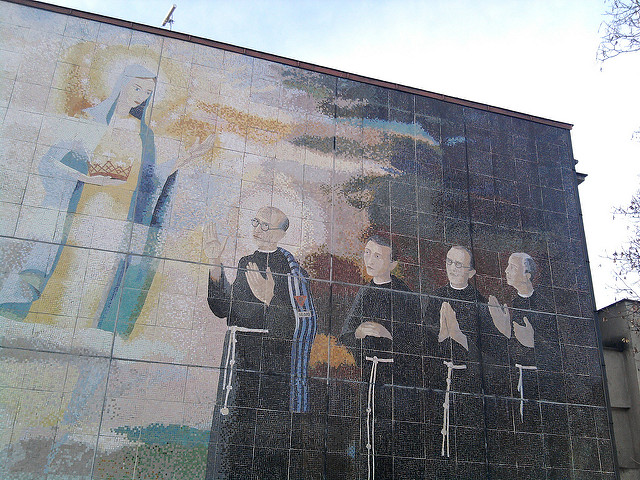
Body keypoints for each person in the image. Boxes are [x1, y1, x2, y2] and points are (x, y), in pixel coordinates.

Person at [0, 64, 213, 337]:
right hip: (79, 213)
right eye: (137, 87)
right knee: (66, 267)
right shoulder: (90, 120)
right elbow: (49, 162)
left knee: (97, 279)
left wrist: (184, 159)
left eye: (147, 92)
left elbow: (148, 181)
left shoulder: (143, 134)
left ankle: (77, 336)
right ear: (121, 83)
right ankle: (41, 329)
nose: (140, 95)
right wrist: (86, 178)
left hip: (116, 223)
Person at [204, 206, 317, 479]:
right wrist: (215, 263)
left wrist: (270, 299)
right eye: (255, 222)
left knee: (264, 443)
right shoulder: (246, 262)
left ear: (280, 234)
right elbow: (224, 309)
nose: (257, 229)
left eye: (265, 225)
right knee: (232, 434)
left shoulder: (293, 273)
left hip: (271, 370)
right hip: (238, 360)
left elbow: (300, 325)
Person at [340, 234, 421, 479]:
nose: (370, 260)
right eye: (367, 253)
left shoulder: (405, 295)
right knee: (368, 437)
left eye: (378, 256)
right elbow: (346, 334)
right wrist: (358, 331)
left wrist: (388, 334)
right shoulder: (365, 292)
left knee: (393, 440)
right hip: (369, 377)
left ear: (392, 264)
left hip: (396, 382)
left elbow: (417, 343)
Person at [427, 246, 487, 353]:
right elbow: (428, 330)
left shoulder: (479, 301)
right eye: (449, 262)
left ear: (471, 273)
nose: (452, 268)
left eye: (458, 264)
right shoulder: (437, 296)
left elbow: (484, 343)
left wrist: (457, 334)